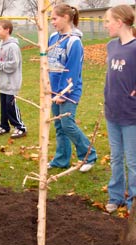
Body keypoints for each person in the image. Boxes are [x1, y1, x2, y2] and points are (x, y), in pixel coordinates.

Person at [47, 3, 97, 172]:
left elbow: (73, 70)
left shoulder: (74, 41)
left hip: (68, 91)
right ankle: (61, 160)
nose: (52, 22)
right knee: (59, 126)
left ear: (66, 17)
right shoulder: (53, 38)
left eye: (55, 18)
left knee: (67, 124)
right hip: (53, 90)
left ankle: (89, 156)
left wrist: (63, 92)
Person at [103, 4, 136, 213]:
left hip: (131, 115)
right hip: (111, 112)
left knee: (133, 161)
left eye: (108, 21)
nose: (106, 25)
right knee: (116, 157)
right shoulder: (111, 46)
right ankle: (116, 197)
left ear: (120, 22)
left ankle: (133, 201)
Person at [0, 19, 27, 139]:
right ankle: (4, 125)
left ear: (7, 30)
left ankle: (20, 127)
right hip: (3, 81)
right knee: (4, 105)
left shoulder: (13, 46)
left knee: (10, 105)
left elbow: (13, 64)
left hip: (12, 82)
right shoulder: (1, 44)